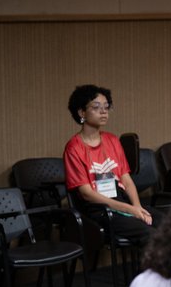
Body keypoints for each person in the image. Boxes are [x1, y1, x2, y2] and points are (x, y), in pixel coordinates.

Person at [63, 84, 153, 244]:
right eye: (96, 107)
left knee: (170, 224)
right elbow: (86, 194)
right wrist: (129, 210)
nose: (103, 111)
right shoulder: (73, 148)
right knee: (149, 233)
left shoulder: (112, 140)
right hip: (99, 207)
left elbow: (126, 179)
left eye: (106, 107)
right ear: (81, 112)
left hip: (121, 198)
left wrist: (137, 206)